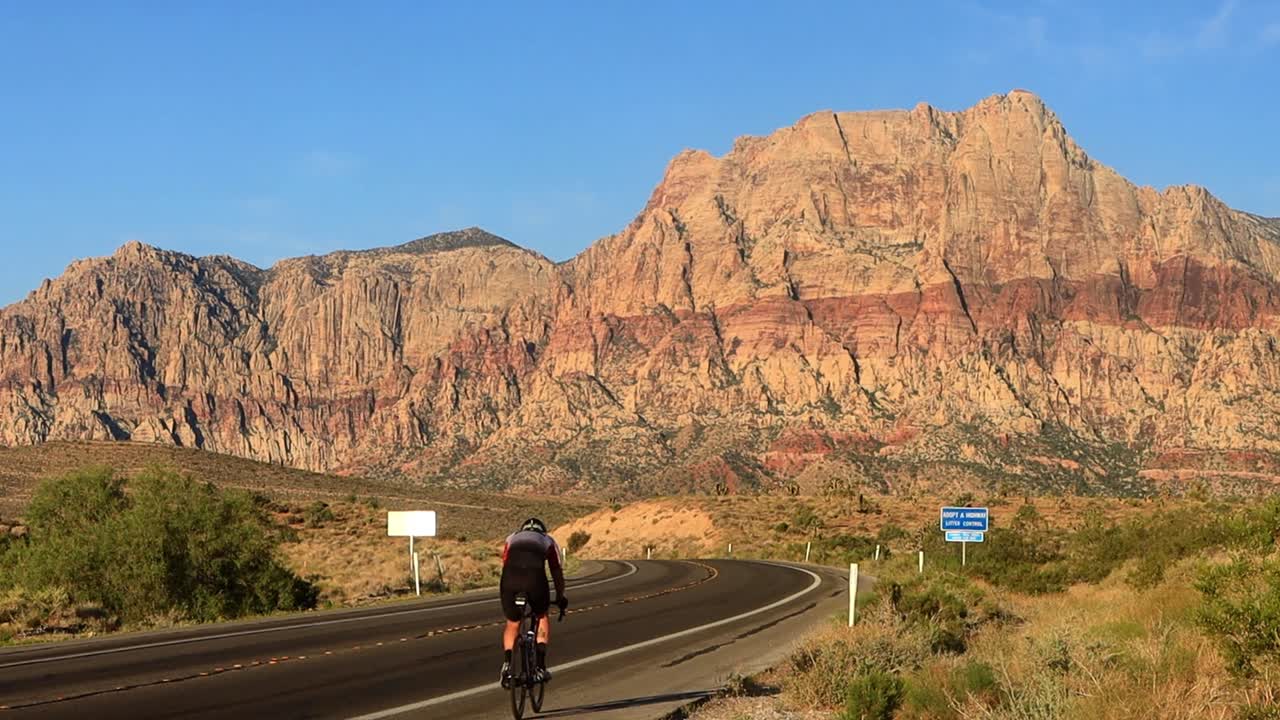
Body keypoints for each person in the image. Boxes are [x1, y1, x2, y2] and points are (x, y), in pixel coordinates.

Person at [499, 517, 568, 687]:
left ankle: (507, 666)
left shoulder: (511, 538)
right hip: (534, 580)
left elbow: (505, 562)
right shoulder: (547, 540)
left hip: (509, 579)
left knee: (513, 622)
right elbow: (556, 572)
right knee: (542, 615)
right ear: (542, 530)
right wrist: (560, 596)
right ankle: (540, 667)